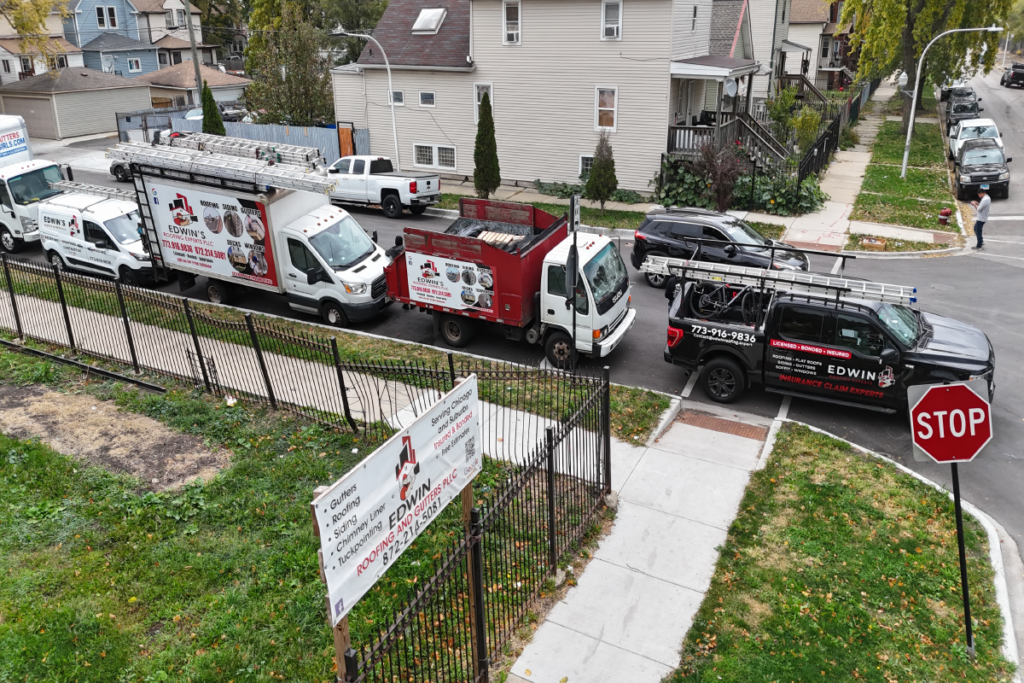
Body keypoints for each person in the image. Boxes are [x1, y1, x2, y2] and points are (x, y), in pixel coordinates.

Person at [970, 184, 991, 250]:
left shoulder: (985, 199)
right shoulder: (987, 198)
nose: (979, 196)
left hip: (981, 218)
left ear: (981, 193)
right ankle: (981, 241)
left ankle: (979, 245)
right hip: (982, 217)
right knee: (976, 228)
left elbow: (979, 209)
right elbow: (982, 206)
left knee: (978, 231)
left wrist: (974, 204)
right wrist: (978, 203)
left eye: (979, 195)